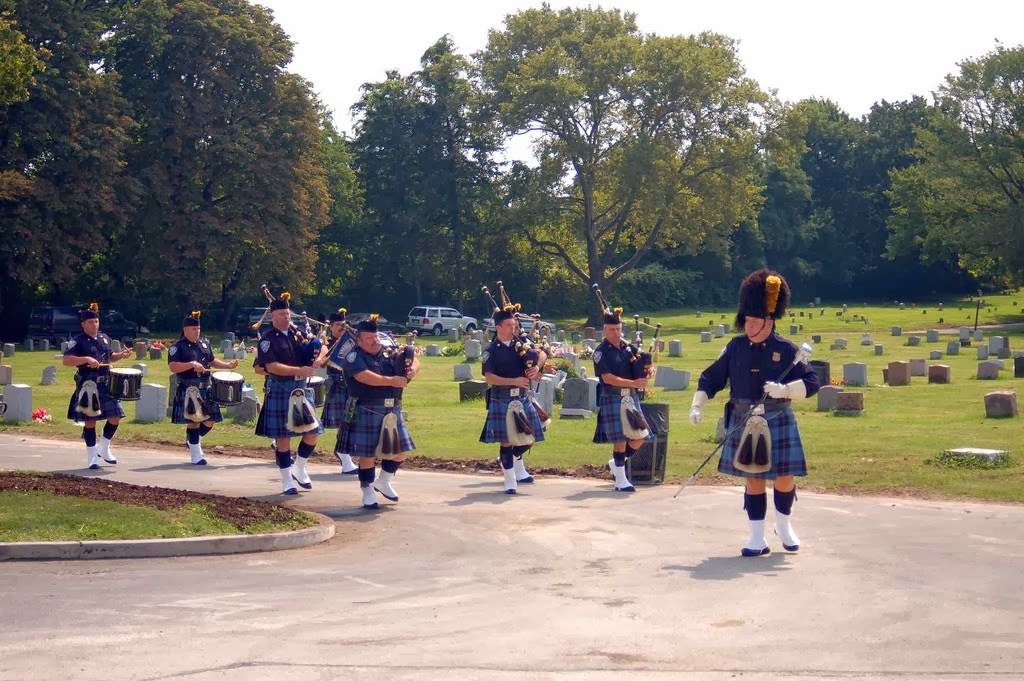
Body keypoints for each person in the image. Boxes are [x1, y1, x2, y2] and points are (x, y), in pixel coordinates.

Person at [689, 269, 820, 556]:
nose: (748, 326)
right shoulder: (735, 347)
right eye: (746, 320)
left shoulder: (787, 350)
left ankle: (783, 526)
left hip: (778, 417)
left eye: (753, 321)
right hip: (744, 418)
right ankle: (756, 537)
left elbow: (812, 383)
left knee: (784, 477)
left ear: (769, 321)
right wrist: (697, 403)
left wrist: (785, 390)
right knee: (754, 478)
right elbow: (712, 378)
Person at [340, 314, 420, 509]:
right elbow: (364, 377)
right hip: (367, 407)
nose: (374, 340)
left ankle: (383, 481)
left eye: (376, 336)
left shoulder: (388, 352)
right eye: (369, 338)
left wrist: (412, 371)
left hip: (392, 408)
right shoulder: (353, 356)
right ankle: (367, 490)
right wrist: (391, 381)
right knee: (368, 454)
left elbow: (414, 360)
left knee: (401, 452)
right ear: (359, 340)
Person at [254, 292, 324, 495]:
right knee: (284, 438)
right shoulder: (267, 340)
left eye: (288, 314)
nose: (287, 318)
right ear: (273, 317)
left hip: (301, 389)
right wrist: (298, 371)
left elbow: (321, 346)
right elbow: (271, 366)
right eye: (282, 315)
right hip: (281, 388)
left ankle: (299, 467)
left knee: (312, 433)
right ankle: (286, 480)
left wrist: (319, 357)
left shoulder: (299, 333)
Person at [480, 306, 547, 494]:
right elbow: (490, 378)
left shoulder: (521, 343)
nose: (513, 328)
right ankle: (510, 480)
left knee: (533, 434)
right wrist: (514, 381)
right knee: (507, 442)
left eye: (514, 324)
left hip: (522, 398)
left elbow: (541, 353)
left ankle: (508, 459)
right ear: (499, 327)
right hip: (502, 399)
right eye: (509, 325)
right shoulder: (491, 350)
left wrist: (537, 368)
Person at [62, 302, 134, 469]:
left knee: (115, 417)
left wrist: (121, 355)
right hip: (88, 385)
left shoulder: (104, 337)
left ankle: (104, 447)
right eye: (90, 322)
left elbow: (110, 357)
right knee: (90, 422)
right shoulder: (77, 341)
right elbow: (67, 360)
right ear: (83, 324)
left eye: (96, 321)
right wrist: (86, 359)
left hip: (106, 384)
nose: (94, 324)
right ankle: (92, 457)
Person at [592, 305, 654, 493]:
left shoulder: (627, 348)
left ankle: (616, 463)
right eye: (612, 329)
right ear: (604, 330)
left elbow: (642, 362)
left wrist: (648, 370)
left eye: (618, 329)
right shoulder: (600, 352)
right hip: (613, 398)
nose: (616, 333)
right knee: (620, 439)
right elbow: (607, 378)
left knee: (641, 437)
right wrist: (633, 383)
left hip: (631, 398)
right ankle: (620, 480)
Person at [167, 311, 239, 465]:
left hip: (206, 387)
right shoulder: (177, 347)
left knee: (210, 420)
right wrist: (191, 365)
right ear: (186, 330)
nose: (197, 331)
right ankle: (196, 455)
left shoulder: (204, 344)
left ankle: (193, 441)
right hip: (189, 387)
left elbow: (211, 361)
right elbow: (173, 367)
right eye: (193, 329)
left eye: (198, 329)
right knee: (194, 421)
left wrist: (227, 365)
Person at [320, 308, 359, 475]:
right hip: (337, 385)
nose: (342, 328)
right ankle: (345, 457)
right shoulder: (326, 344)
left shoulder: (351, 339)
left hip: (354, 385)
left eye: (344, 325)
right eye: (338, 325)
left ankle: (345, 455)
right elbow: (322, 361)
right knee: (344, 423)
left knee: (352, 423)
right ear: (331, 327)